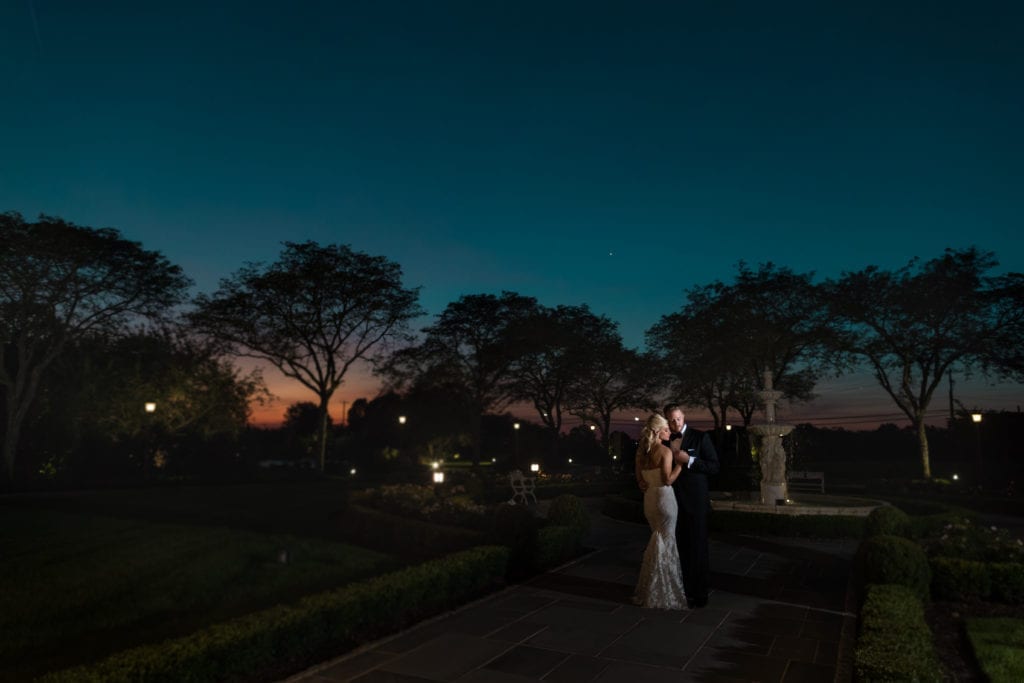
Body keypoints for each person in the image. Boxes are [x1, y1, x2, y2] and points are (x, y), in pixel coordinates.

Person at [663, 403, 720, 608]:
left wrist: (690, 461)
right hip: (672, 502)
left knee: (697, 549)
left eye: (678, 418)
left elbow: (714, 467)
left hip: (696, 504)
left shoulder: (700, 437)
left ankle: (700, 593)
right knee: (679, 549)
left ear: (683, 416)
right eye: (671, 419)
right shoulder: (666, 440)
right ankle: (681, 590)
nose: (675, 422)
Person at [632, 413, 687, 609]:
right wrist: (681, 464)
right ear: (656, 431)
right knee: (668, 542)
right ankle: (666, 592)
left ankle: (650, 589)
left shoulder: (641, 453)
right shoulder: (665, 451)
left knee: (657, 539)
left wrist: (645, 483)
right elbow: (668, 480)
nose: (668, 432)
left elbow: (640, 481)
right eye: (665, 429)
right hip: (664, 499)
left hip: (650, 500)